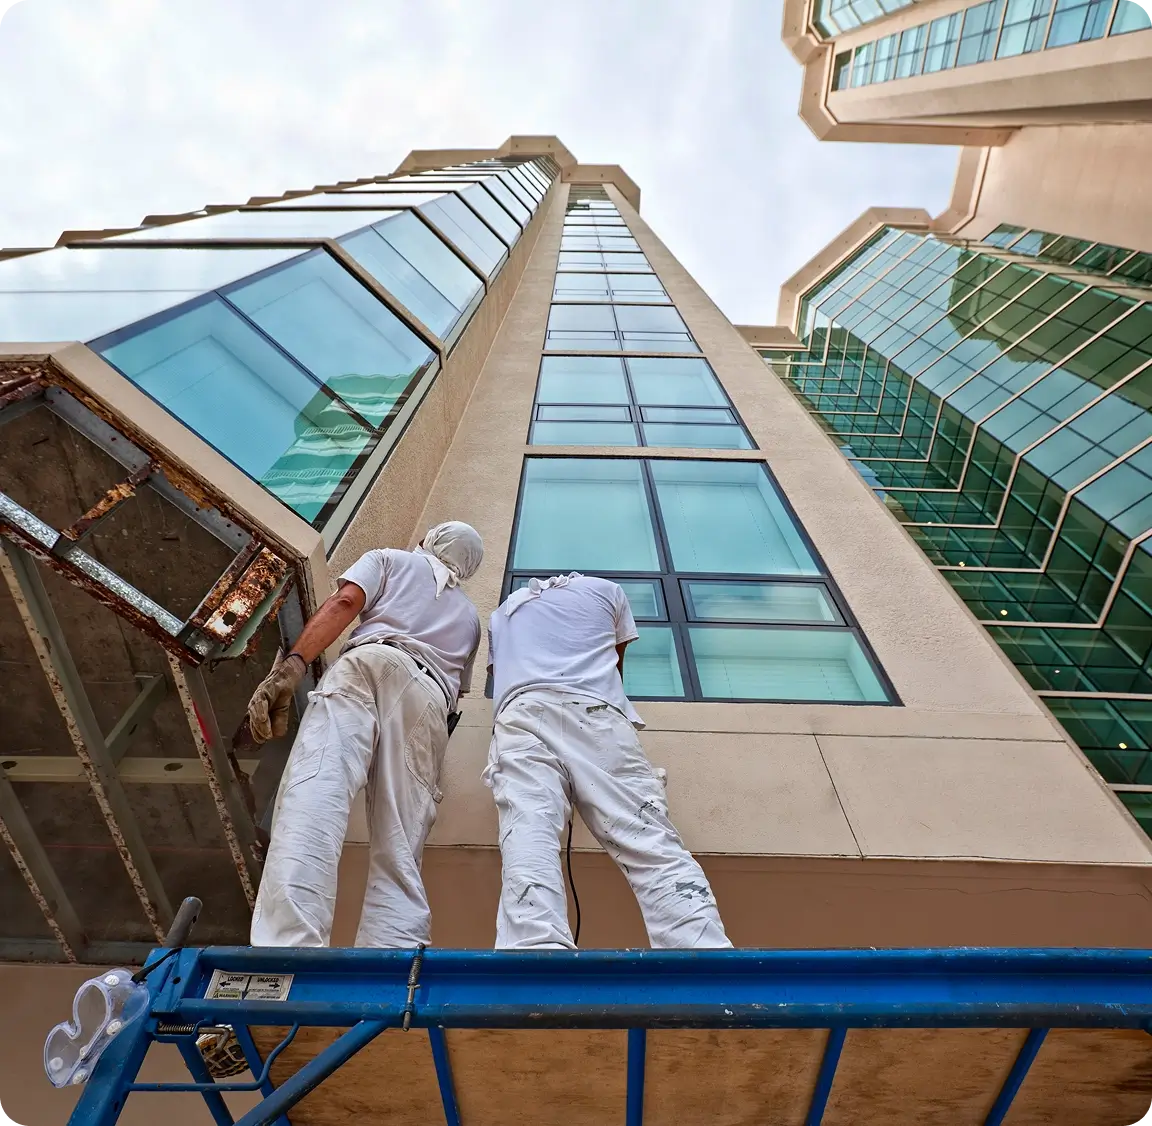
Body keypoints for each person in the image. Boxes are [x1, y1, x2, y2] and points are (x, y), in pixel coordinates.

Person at [245, 521, 483, 948]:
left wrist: (293, 667)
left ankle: (287, 944)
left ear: (428, 538)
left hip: (369, 661)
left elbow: (346, 601)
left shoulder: (389, 559)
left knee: (316, 793)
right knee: (402, 834)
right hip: (429, 698)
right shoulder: (469, 616)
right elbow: (456, 695)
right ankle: (392, 951)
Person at [485, 573, 730, 949]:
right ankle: (700, 950)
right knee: (646, 838)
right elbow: (615, 666)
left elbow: (501, 672)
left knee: (529, 829)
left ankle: (534, 950)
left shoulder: (504, 612)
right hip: (594, 709)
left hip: (521, 713)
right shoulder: (604, 590)